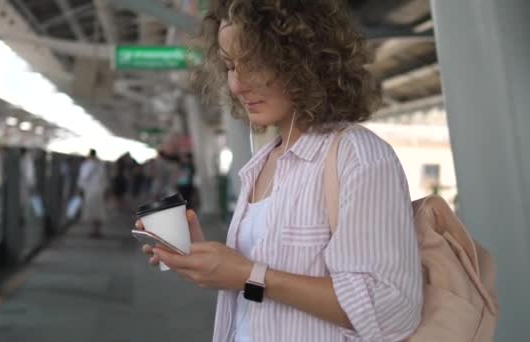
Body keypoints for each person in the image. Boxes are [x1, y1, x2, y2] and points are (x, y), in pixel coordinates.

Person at [137, 1, 423, 341]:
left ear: (304, 60)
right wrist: (204, 260)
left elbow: (392, 311)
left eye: (254, 63)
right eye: (230, 66)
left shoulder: (358, 157)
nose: (237, 85)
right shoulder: (263, 161)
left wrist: (248, 274)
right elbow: (255, 291)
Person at [77, 149, 107, 238]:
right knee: (99, 211)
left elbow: (83, 177)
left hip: (90, 190)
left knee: (91, 211)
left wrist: (80, 188)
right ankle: (97, 230)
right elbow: (104, 179)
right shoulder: (101, 165)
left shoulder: (86, 165)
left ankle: (93, 230)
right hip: (99, 190)